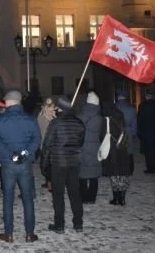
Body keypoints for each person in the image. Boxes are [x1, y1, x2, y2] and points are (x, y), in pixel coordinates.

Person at [0, 90, 41, 243]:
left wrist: (10, 153)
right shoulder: (30, 119)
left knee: (8, 198)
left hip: (8, 163)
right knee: (28, 198)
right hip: (25, 163)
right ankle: (29, 233)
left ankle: (9, 233)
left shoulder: (0, 120)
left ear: (9, 102)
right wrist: (25, 153)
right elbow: (36, 140)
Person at [41, 95, 85, 233]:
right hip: (74, 162)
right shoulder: (79, 122)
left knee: (58, 194)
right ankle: (78, 223)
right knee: (75, 193)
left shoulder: (56, 123)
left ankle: (59, 224)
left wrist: (44, 165)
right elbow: (81, 142)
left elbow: (47, 145)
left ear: (60, 108)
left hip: (58, 163)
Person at [100, 102, 132, 206]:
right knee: (122, 174)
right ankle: (122, 199)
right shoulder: (121, 117)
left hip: (112, 149)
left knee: (114, 174)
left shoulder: (107, 120)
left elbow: (102, 135)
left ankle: (116, 198)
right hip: (122, 148)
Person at [77, 91, 103, 204]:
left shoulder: (79, 116)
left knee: (82, 173)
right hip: (94, 148)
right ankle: (91, 198)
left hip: (81, 147)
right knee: (94, 174)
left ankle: (82, 197)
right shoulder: (100, 118)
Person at [137, 91, 155, 174]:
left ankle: (150, 168)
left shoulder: (142, 106)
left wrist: (139, 132)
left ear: (146, 96)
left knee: (148, 152)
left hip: (145, 133)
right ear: (153, 97)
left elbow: (139, 120)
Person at [37, 98, 57, 190]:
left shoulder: (55, 116)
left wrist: (55, 117)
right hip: (44, 144)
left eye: (51, 105)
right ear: (44, 106)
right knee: (45, 165)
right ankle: (48, 181)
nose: (50, 107)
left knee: (51, 165)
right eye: (48, 105)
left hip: (54, 144)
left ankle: (51, 183)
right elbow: (41, 131)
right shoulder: (41, 117)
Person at [115, 94, 138, 174]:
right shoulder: (131, 108)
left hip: (117, 130)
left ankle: (120, 168)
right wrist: (134, 133)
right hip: (128, 130)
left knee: (119, 150)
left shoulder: (115, 107)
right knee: (129, 151)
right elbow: (134, 122)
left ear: (118, 98)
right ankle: (130, 169)